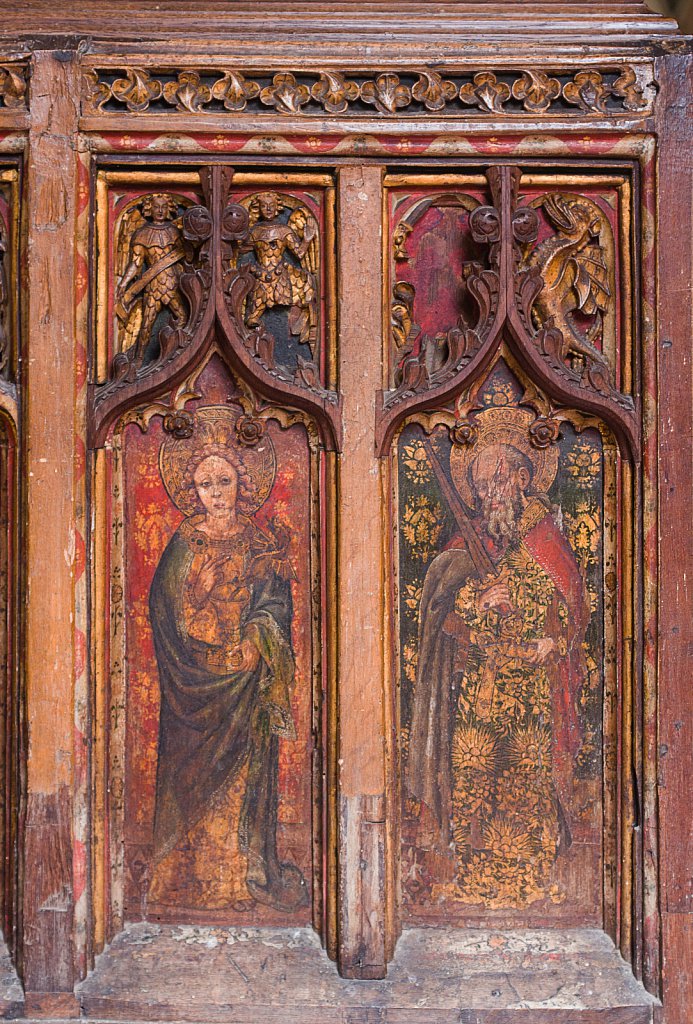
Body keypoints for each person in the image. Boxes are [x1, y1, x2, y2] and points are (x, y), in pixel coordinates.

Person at [406, 408, 590, 907]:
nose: (490, 490)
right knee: (475, 772)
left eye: (499, 478)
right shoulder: (464, 546)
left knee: (523, 774)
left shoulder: (545, 540)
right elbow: (442, 616)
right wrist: (471, 603)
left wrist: (556, 638)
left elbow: (572, 604)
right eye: (482, 482)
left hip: (530, 685)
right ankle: (473, 872)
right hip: (478, 686)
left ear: (525, 478)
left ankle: (528, 874)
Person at [148, 418, 307, 913]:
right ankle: (187, 874)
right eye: (205, 484)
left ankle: (244, 873)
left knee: (247, 777)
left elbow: (276, 604)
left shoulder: (260, 543)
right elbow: (162, 604)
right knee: (190, 776)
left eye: (224, 483)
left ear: (242, 485)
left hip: (245, 680)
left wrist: (259, 640)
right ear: (192, 491)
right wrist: (196, 590)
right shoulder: (185, 540)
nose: (215, 494)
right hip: (193, 681)